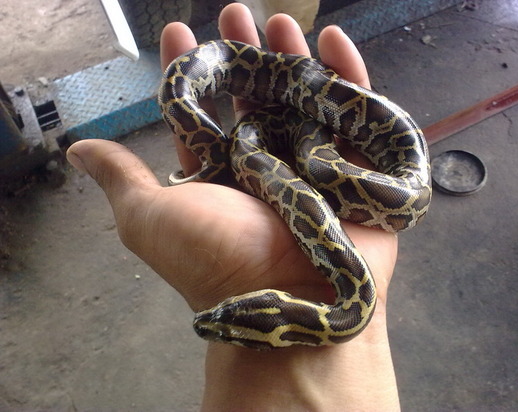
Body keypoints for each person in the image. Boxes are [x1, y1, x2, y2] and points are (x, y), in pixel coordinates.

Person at [66, 3, 400, 410]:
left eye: (229, 330)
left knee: (276, 145)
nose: (215, 327)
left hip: (284, 142)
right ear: (276, 300)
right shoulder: (352, 298)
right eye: (230, 326)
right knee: (265, 137)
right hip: (280, 137)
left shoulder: (349, 297)